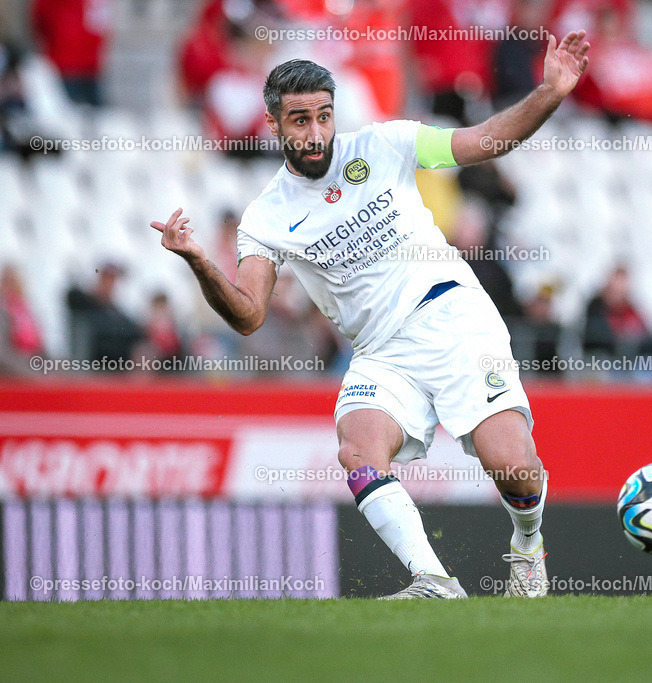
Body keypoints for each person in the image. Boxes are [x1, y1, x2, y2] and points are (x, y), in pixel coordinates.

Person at [151, 32, 592, 599]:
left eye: (323, 116)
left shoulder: (386, 144)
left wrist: (549, 93)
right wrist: (198, 261)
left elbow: (484, 140)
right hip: (381, 353)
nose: (315, 133)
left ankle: (528, 545)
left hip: (453, 317)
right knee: (357, 451)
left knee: (514, 468)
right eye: (300, 120)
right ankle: (435, 580)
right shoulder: (266, 217)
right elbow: (248, 315)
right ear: (273, 124)